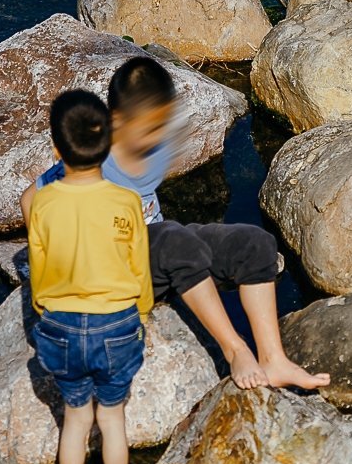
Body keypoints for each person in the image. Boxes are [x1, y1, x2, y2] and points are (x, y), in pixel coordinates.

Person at [21, 54, 329, 394]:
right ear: (117, 120)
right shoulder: (91, 152)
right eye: (149, 129)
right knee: (174, 239)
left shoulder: (156, 147)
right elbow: (29, 198)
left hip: (159, 256)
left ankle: (273, 359)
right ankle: (236, 349)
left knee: (254, 242)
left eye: (161, 125)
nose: (157, 138)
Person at [26, 88, 152, 464]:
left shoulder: (43, 202)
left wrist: (46, 310)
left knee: (75, 421)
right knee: (112, 420)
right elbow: (139, 269)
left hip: (60, 324)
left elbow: (39, 272)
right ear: (109, 144)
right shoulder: (125, 201)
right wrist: (142, 316)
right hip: (116, 324)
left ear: (57, 150)